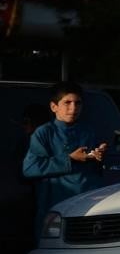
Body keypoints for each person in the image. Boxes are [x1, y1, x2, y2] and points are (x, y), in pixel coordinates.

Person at [21, 82, 110, 234]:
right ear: (54, 107)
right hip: (57, 205)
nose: (73, 108)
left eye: (78, 103)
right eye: (67, 103)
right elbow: (30, 168)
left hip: (88, 203)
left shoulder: (87, 131)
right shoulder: (44, 133)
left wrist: (98, 154)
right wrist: (69, 158)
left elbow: (94, 165)